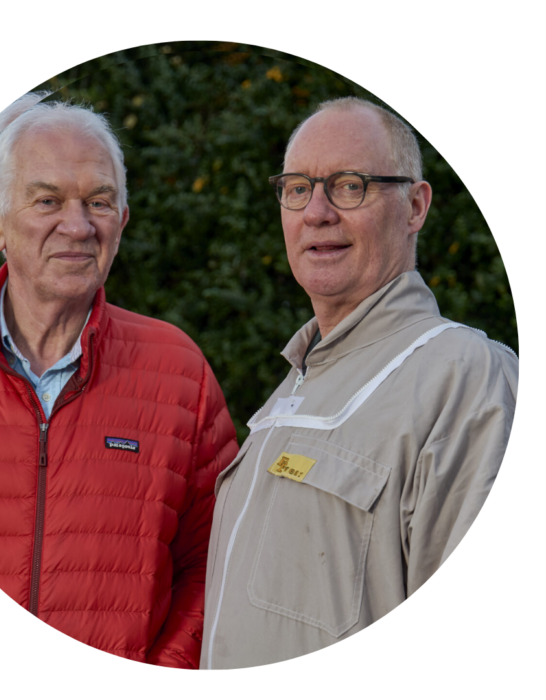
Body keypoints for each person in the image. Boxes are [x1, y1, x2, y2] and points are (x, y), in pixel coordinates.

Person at [0, 91, 239, 671]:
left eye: (98, 202)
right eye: (47, 199)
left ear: (121, 222)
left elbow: (215, 560)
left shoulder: (178, 371)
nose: (76, 226)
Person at [200, 96, 519, 670]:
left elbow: (477, 648)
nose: (317, 212)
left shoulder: (464, 375)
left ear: (415, 206)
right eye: (298, 188)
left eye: (350, 186)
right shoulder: (290, 392)